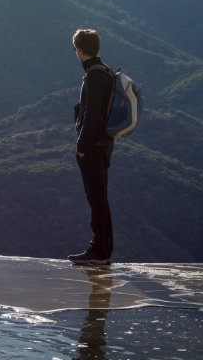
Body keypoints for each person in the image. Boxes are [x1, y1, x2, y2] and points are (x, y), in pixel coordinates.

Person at [68, 28, 115, 266]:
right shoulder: (105, 72)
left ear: (80, 50)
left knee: (96, 197)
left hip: (94, 147)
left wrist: (82, 146)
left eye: (75, 48)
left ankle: (99, 250)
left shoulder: (94, 75)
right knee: (99, 196)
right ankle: (102, 249)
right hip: (104, 144)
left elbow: (93, 115)